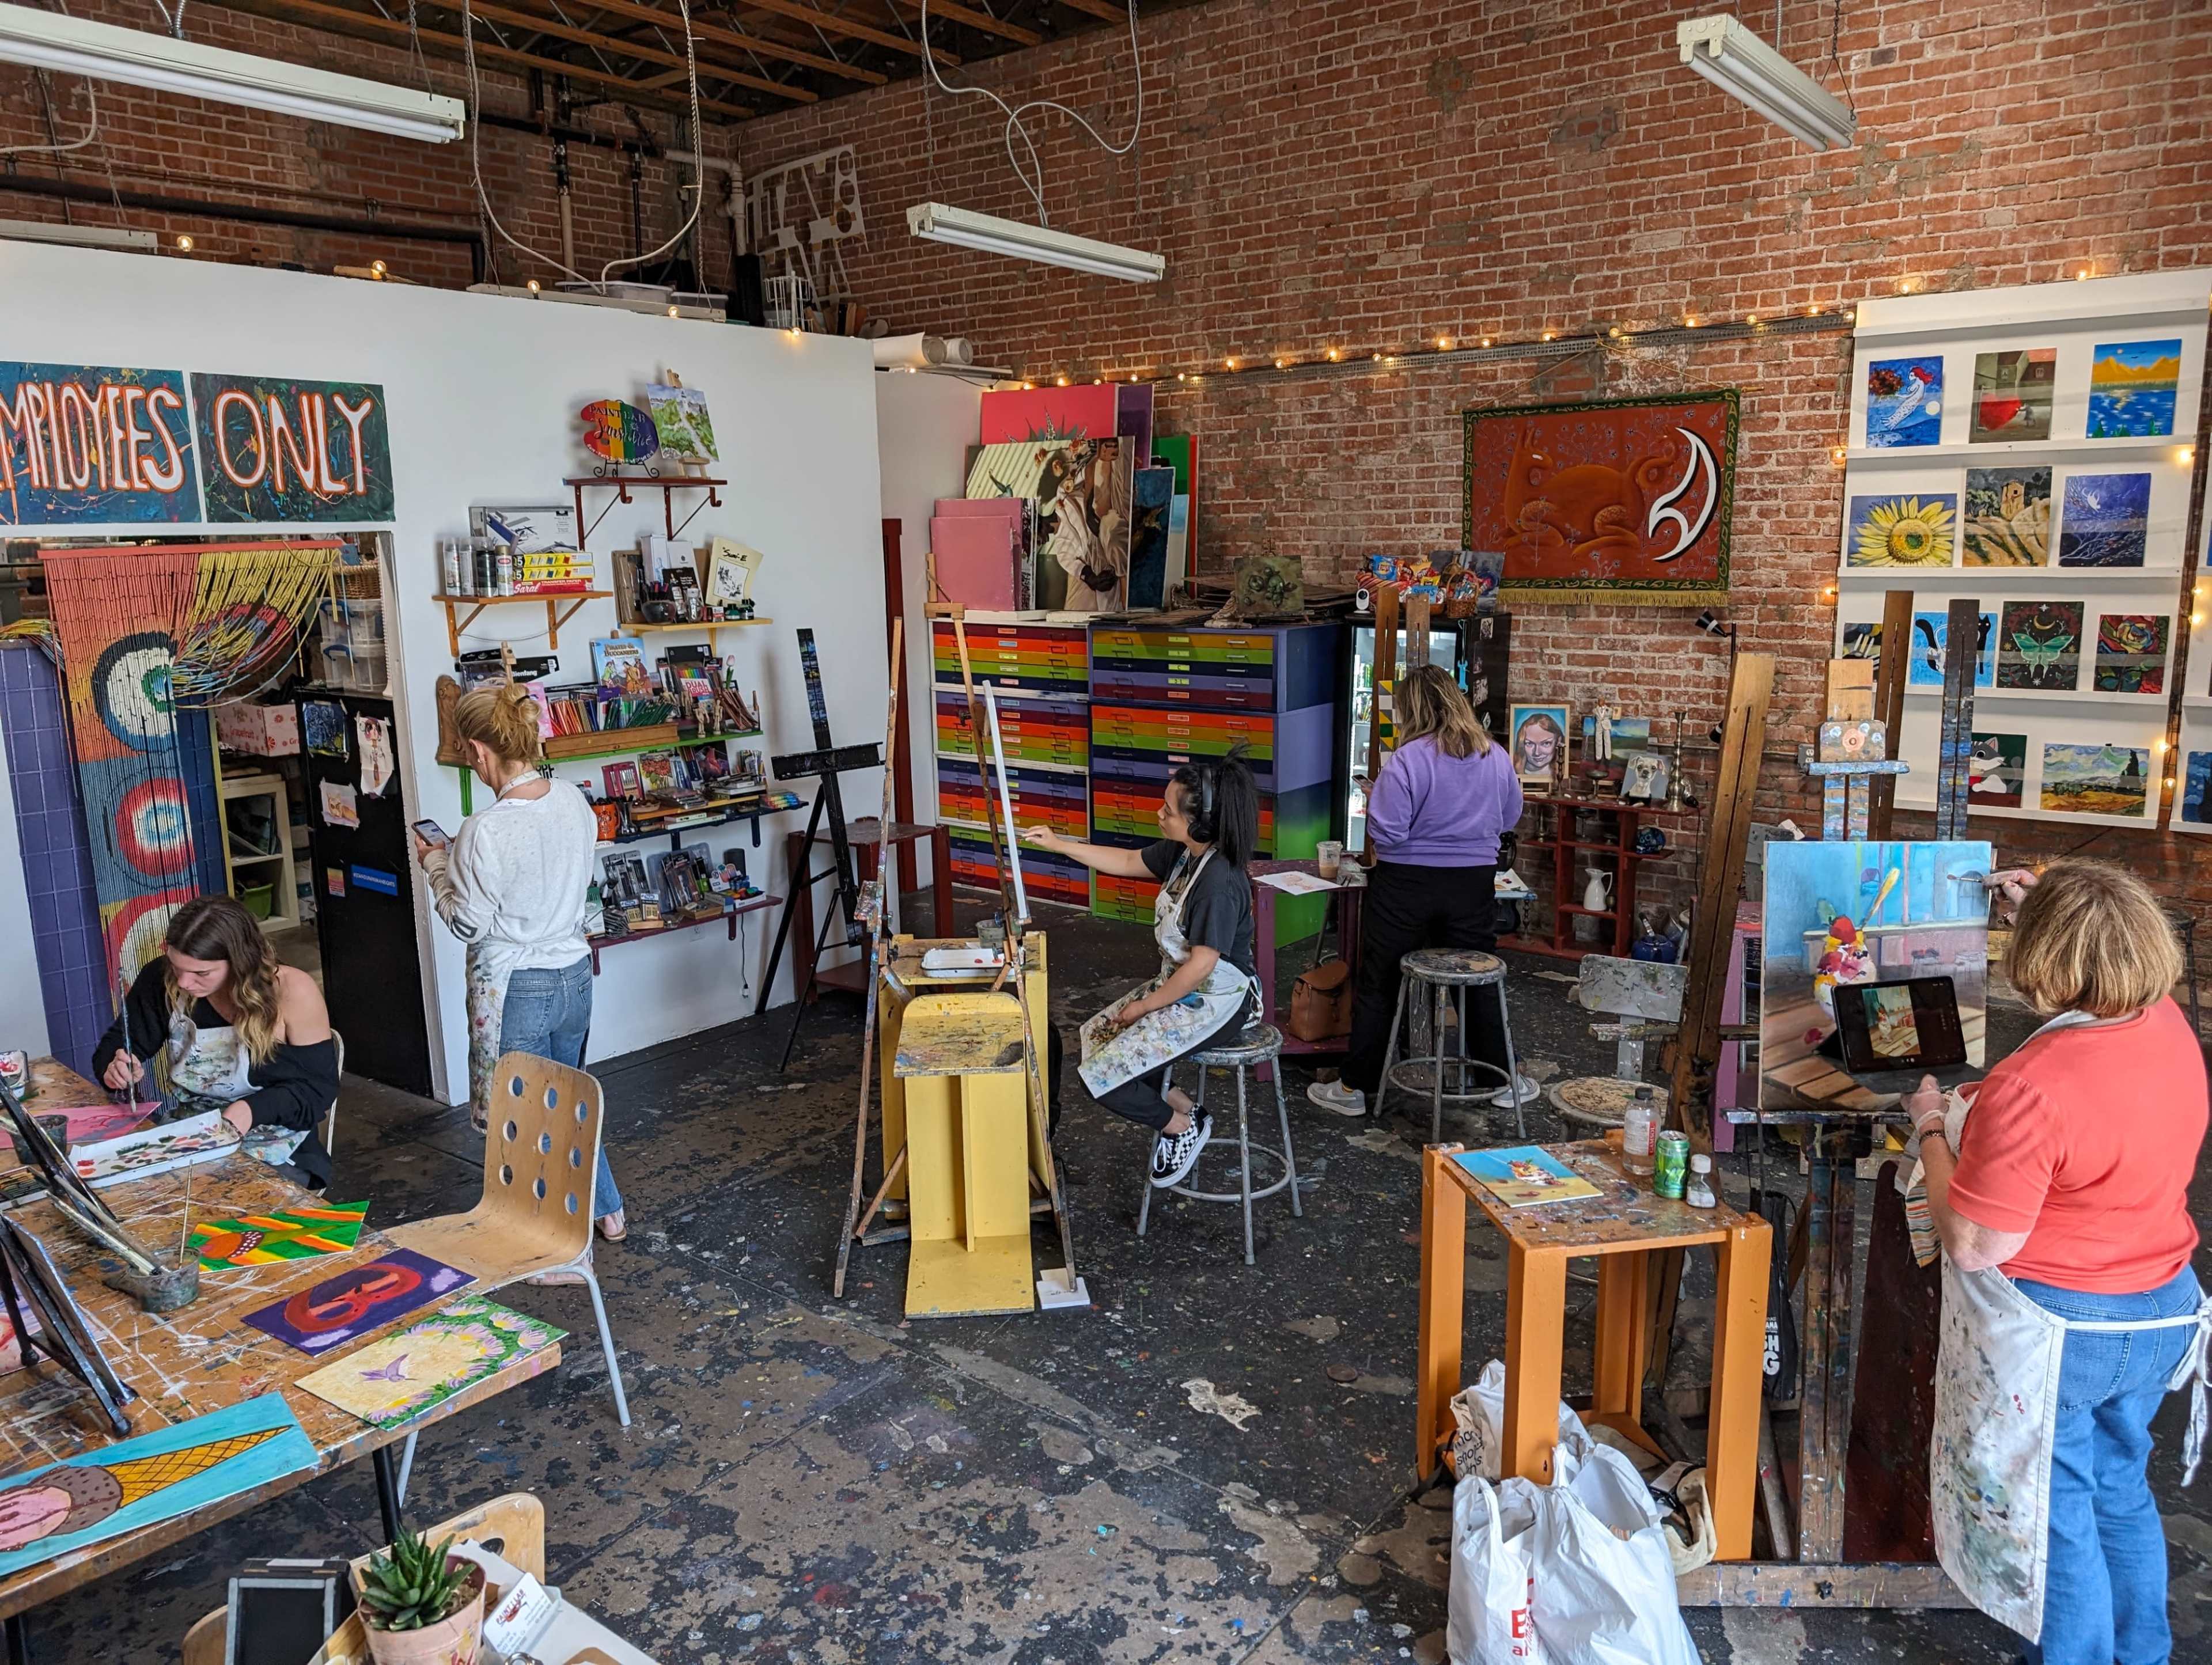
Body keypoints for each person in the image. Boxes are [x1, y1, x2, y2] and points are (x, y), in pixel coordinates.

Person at [1908, 860, 2209, 1665]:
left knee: (2055, 1511)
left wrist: (1933, 1128)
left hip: (2064, 1329)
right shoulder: (2167, 1023)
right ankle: (2142, 1653)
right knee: (2119, 1483)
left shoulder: (2035, 1081)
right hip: (2163, 1306)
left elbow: (1975, 1240)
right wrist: (2041, 898)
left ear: (2047, 956)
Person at [414, 683, 624, 1243]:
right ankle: (608, 1210)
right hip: (574, 976)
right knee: (569, 1100)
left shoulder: (485, 830)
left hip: (517, 988)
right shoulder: (572, 799)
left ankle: (541, 1235)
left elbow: (468, 924)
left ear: (478, 750)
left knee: (526, 1118)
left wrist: (437, 863)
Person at [1022, 750, 1261, 1187]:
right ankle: (1186, 1108)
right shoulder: (1185, 851)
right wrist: (1060, 843)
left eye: (1167, 811)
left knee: (1105, 1080)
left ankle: (1179, 1127)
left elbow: (1204, 965)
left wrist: (1146, 1005)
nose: (1159, 814)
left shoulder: (1219, 883)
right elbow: (1129, 862)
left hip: (1217, 998)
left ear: (1200, 823)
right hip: (1182, 983)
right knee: (1096, 1039)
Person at [1310, 665, 1529, 1117]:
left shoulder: (1408, 760)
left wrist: (1377, 799)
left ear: (1412, 709)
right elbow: (1509, 820)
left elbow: (1388, 836)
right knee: (1478, 979)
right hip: (1472, 884)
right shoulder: (1495, 756)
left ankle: (1355, 1088)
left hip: (1405, 886)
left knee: (1382, 982)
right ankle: (1502, 1078)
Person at [91, 894, 337, 1188]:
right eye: (176, 966)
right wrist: (116, 1066)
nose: (183, 982)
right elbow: (119, 1042)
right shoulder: (163, 979)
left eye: (201, 973)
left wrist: (250, 1110)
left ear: (239, 962)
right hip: (190, 1132)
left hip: (276, 1140)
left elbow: (318, 1089)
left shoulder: (290, 992)